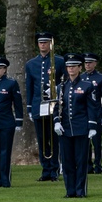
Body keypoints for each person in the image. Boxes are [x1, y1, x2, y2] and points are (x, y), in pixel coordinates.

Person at [53, 53, 99, 198]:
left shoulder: (87, 85)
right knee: (67, 162)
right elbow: (56, 107)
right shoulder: (61, 86)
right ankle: (70, 191)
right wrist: (56, 121)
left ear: (80, 67)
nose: (70, 69)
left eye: (74, 66)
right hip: (65, 129)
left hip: (81, 128)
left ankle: (80, 191)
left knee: (81, 161)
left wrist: (92, 126)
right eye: (68, 66)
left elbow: (92, 107)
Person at [25, 31, 65, 181]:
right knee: (42, 139)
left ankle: (54, 168)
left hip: (53, 105)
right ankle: (45, 169)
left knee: (53, 139)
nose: (43, 45)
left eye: (46, 42)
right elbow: (29, 86)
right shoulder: (31, 64)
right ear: (38, 44)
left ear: (50, 44)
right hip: (38, 104)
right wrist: (29, 107)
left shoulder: (59, 61)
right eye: (41, 42)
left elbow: (64, 82)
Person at [0, 55, 23, 188]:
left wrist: (19, 121)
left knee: (5, 152)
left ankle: (5, 179)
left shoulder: (11, 83)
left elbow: (18, 103)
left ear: (5, 69)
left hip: (6, 122)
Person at [82, 52, 102, 174]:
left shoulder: (101, 78)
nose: (87, 65)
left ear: (95, 63)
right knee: (85, 141)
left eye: (90, 62)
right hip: (84, 114)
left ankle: (98, 164)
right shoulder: (81, 77)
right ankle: (87, 165)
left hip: (96, 113)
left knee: (96, 141)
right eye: (86, 63)